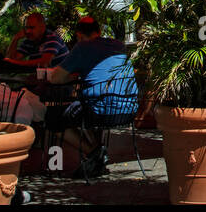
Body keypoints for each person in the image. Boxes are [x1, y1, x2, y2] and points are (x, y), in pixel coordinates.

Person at [46, 17, 138, 177]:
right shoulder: (118, 45)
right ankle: (97, 158)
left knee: (53, 117)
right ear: (99, 32)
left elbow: (56, 78)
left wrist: (72, 75)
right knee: (90, 106)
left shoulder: (82, 47)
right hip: (128, 108)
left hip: (99, 111)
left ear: (79, 35)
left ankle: (93, 152)